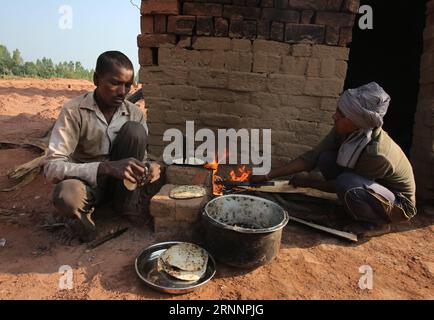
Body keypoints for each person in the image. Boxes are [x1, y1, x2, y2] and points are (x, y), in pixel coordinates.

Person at [252, 82, 417, 237]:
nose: (334, 116)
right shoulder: (345, 131)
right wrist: (269, 175)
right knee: (325, 158)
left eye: (341, 114)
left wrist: (308, 183)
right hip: (368, 187)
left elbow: (344, 183)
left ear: (357, 121)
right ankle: (350, 206)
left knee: (347, 183)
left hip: (398, 203)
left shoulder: (377, 153)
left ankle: (377, 223)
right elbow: (313, 157)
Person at [44, 51, 161, 243]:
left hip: (122, 188)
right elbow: (51, 168)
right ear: (96, 79)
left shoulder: (135, 114)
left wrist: (149, 168)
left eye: (128, 85)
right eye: (115, 83)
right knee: (66, 195)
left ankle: (125, 206)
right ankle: (85, 217)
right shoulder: (74, 111)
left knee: (135, 131)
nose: (122, 92)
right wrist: (104, 168)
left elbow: (143, 158)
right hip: (88, 187)